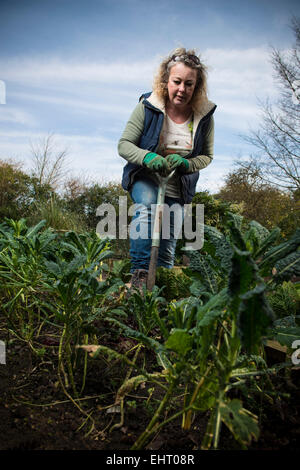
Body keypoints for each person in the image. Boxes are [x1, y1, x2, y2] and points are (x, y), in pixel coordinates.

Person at [118, 47, 216, 289]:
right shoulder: (149, 106)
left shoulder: (203, 116)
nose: (182, 89)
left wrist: (187, 164)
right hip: (147, 177)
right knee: (149, 208)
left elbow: (207, 156)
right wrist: (148, 157)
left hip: (178, 184)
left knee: (168, 238)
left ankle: (161, 286)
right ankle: (140, 278)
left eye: (189, 84)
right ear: (166, 81)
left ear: (196, 86)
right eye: (177, 81)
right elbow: (124, 145)